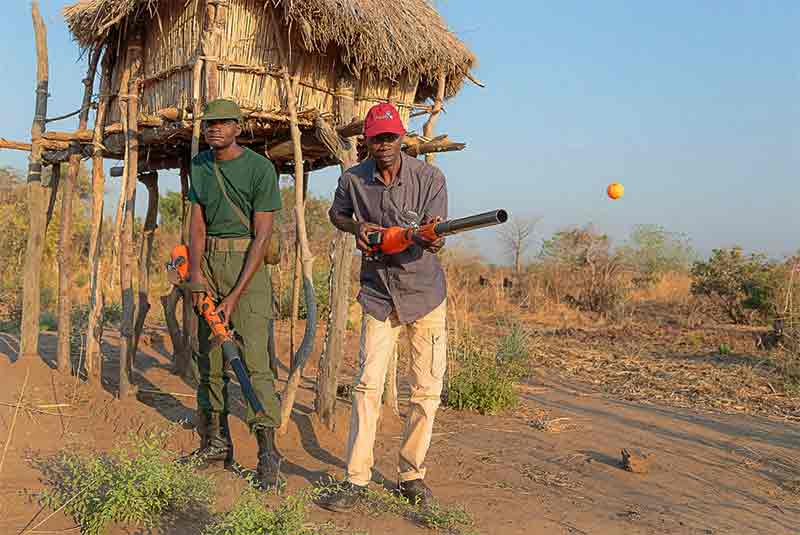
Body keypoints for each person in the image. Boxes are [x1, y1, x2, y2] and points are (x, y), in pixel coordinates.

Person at [320, 102, 448, 511]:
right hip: (378, 294)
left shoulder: (430, 178)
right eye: (378, 138)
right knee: (366, 387)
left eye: (391, 137)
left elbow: (437, 230)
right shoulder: (353, 181)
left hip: (424, 293)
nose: (385, 144)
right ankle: (356, 480)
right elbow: (335, 214)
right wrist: (357, 227)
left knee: (426, 391)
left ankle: (411, 475)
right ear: (368, 142)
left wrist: (430, 237)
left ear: (403, 138)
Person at [183, 98, 284, 491]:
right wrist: (195, 275)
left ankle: (267, 454)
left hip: (248, 269)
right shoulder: (200, 165)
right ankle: (216, 444)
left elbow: (262, 237)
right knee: (208, 358)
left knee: (255, 364)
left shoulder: (260, 169)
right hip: (208, 264)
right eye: (209, 123)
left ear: (238, 127)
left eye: (223, 123)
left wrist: (235, 295)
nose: (214, 129)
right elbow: (196, 224)